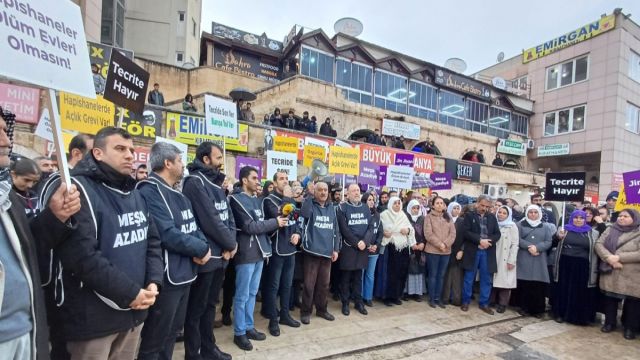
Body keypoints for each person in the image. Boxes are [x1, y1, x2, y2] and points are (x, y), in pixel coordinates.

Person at [53, 127, 163, 359]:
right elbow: (83, 257)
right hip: (93, 321)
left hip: (135, 313)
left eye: (132, 150)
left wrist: (154, 281)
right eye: (120, 149)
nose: (129, 155)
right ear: (98, 153)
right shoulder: (77, 190)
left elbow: (151, 241)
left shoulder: (135, 192)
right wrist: (131, 292)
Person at [0, 114, 80, 360]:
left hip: (24, 332)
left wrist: (54, 217)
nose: (5, 140)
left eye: (5, 130)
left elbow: (28, 248)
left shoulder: (6, 196)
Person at [136, 142, 211, 360]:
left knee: (171, 334)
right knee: (155, 340)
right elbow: (167, 233)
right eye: (179, 161)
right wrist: (201, 248)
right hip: (167, 279)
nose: (183, 165)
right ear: (168, 163)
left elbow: (193, 227)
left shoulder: (178, 193)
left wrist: (203, 246)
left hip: (185, 274)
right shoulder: (149, 190)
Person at [182, 142, 237, 360]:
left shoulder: (216, 182)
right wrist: (230, 244)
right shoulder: (195, 182)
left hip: (222, 255)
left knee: (210, 306)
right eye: (218, 157)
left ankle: (209, 348)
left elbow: (228, 215)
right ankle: (193, 353)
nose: (221, 161)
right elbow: (210, 221)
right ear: (205, 159)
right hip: (207, 258)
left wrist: (231, 243)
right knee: (196, 310)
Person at [228, 166, 287, 350]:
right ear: (244, 180)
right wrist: (274, 222)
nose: (258, 181)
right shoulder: (236, 199)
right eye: (254, 178)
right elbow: (250, 226)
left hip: (260, 252)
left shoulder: (257, 200)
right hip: (246, 253)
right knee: (242, 295)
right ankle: (239, 332)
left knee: (253, 293)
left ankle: (248, 326)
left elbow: (260, 225)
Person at [261, 171, 302, 336]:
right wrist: (287, 197)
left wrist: (298, 233)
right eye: (281, 179)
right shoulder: (268, 200)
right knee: (273, 286)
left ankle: (285, 314)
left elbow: (296, 219)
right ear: (275, 182)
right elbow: (282, 216)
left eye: (287, 179)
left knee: (287, 285)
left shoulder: (290, 200)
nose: (285, 181)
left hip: (290, 249)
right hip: (276, 249)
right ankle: (273, 320)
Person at [298, 181, 340, 324]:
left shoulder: (332, 208)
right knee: (309, 285)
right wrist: (309, 196)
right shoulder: (309, 205)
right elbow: (303, 214)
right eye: (320, 190)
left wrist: (336, 249)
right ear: (315, 192)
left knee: (324, 285)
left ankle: (322, 310)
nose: (323, 192)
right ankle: (305, 311)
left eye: (325, 190)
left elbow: (336, 230)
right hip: (311, 251)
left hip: (327, 253)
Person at [595, 209, 640, 340]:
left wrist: (619, 257)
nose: (621, 218)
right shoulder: (610, 229)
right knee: (610, 299)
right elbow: (599, 244)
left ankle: (629, 327)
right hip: (610, 269)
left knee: (632, 302)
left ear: (635, 218)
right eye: (620, 216)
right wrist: (609, 258)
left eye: (626, 216)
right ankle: (610, 323)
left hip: (631, 273)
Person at [551, 210, 599, 325]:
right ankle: (560, 314)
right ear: (572, 218)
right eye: (576, 217)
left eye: (581, 218)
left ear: (585, 219)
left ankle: (576, 316)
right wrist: (558, 237)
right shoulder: (563, 229)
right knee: (563, 288)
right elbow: (552, 244)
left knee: (579, 291)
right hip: (564, 264)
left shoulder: (593, 232)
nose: (578, 220)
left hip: (582, 266)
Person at [461, 195, 501, 315]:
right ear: (477, 203)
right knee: (469, 277)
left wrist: (488, 242)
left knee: (486, 279)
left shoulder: (492, 217)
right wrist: (479, 241)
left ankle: (484, 303)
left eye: (487, 206)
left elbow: (497, 234)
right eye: (482, 205)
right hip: (473, 250)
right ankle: (465, 301)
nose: (484, 208)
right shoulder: (469, 215)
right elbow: (466, 232)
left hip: (487, 251)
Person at [337, 183, 373, 316]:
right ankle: (345, 303)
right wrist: (357, 242)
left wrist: (365, 241)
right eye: (354, 191)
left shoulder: (365, 208)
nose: (357, 193)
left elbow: (370, 227)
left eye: (358, 190)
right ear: (348, 193)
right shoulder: (342, 208)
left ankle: (358, 302)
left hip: (362, 247)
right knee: (346, 278)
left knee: (359, 277)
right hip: (349, 247)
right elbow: (344, 229)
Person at [515, 205, 554, 318]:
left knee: (537, 285)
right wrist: (529, 246)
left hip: (539, 258)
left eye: (535, 212)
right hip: (524, 256)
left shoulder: (545, 227)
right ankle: (524, 308)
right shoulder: (520, 225)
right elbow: (518, 239)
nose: (533, 214)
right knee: (525, 284)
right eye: (530, 212)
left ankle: (538, 309)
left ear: (539, 214)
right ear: (527, 213)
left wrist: (538, 248)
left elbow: (548, 241)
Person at [380, 196, 416, 306]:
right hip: (391, 246)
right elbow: (382, 229)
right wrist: (387, 232)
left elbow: (411, 229)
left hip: (403, 247)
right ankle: (387, 297)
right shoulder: (384, 214)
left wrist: (408, 230)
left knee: (401, 272)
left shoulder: (403, 215)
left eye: (398, 203)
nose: (397, 205)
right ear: (390, 204)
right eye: (395, 203)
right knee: (390, 273)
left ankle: (396, 296)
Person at [424, 196, 456, 308]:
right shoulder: (428, 217)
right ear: (432, 205)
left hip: (446, 252)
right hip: (433, 251)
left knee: (441, 276)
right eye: (437, 203)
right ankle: (432, 298)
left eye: (441, 203)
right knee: (433, 275)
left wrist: (446, 244)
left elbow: (453, 234)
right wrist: (439, 244)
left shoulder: (448, 217)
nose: (439, 205)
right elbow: (428, 234)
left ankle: (438, 298)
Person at [491, 206, 519, 313]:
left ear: (508, 215)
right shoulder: (494, 224)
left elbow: (515, 244)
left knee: (505, 282)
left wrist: (511, 260)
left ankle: (502, 303)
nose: (501, 215)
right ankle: (492, 300)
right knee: (493, 279)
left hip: (505, 256)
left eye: (504, 213)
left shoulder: (512, 226)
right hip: (494, 255)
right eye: (500, 212)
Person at [362, 191, 383, 307]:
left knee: (370, 275)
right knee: (360, 274)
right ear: (364, 201)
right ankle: (359, 296)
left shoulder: (377, 215)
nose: (371, 202)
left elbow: (380, 232)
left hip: (374, 250)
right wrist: (366, 245)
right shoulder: (360, 214)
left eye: (372, 200)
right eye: (369, 200)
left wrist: (376, 245)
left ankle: (368, 297)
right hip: (362, 250)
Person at [442, 202, 465, 306]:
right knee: (446, 276)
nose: (456, 210)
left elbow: (466, 237)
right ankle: (445, 298)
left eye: (458, 208)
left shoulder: (462, 221)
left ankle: (456, 299)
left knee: (457, 276)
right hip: (446, 250)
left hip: (458, 252)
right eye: (454, 208)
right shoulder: (445, 220)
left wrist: (462, 250)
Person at [405, 200, 426, 302]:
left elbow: (426, 233)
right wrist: (411, 244)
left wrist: (422, 243)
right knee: (408, 269)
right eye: (413, 208)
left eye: (417, 208)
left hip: (420, 249)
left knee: (418, 270)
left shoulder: (423, 219)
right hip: (409, 248)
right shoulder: (405, 218)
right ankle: (406, 292)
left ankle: (417, 293)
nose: (415, 210)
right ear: (409, 208)